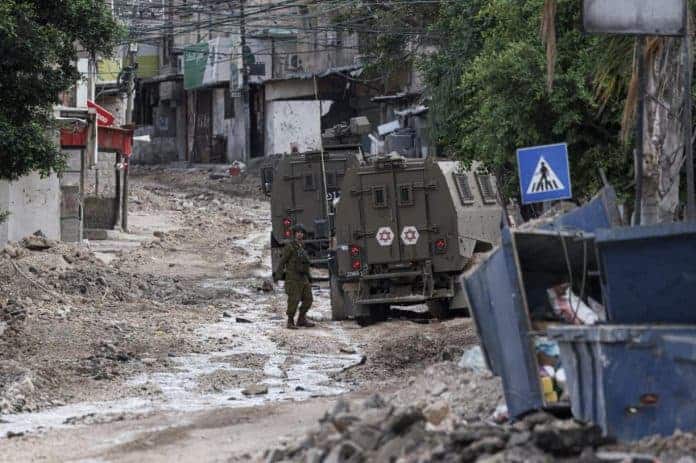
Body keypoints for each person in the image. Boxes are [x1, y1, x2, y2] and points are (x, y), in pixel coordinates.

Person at [274, 224, 315, 329]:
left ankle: (301, 319)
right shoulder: (290, 247)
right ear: (294, 234)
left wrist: (309, 277)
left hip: (303, 278)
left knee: (308, 299)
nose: (300, 234)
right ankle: (290, 321)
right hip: (293, 278)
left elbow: (305, 263)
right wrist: (278, 276)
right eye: (298, 232)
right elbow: (282, 261)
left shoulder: (302, 246)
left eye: (301, 232)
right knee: (294, 299)